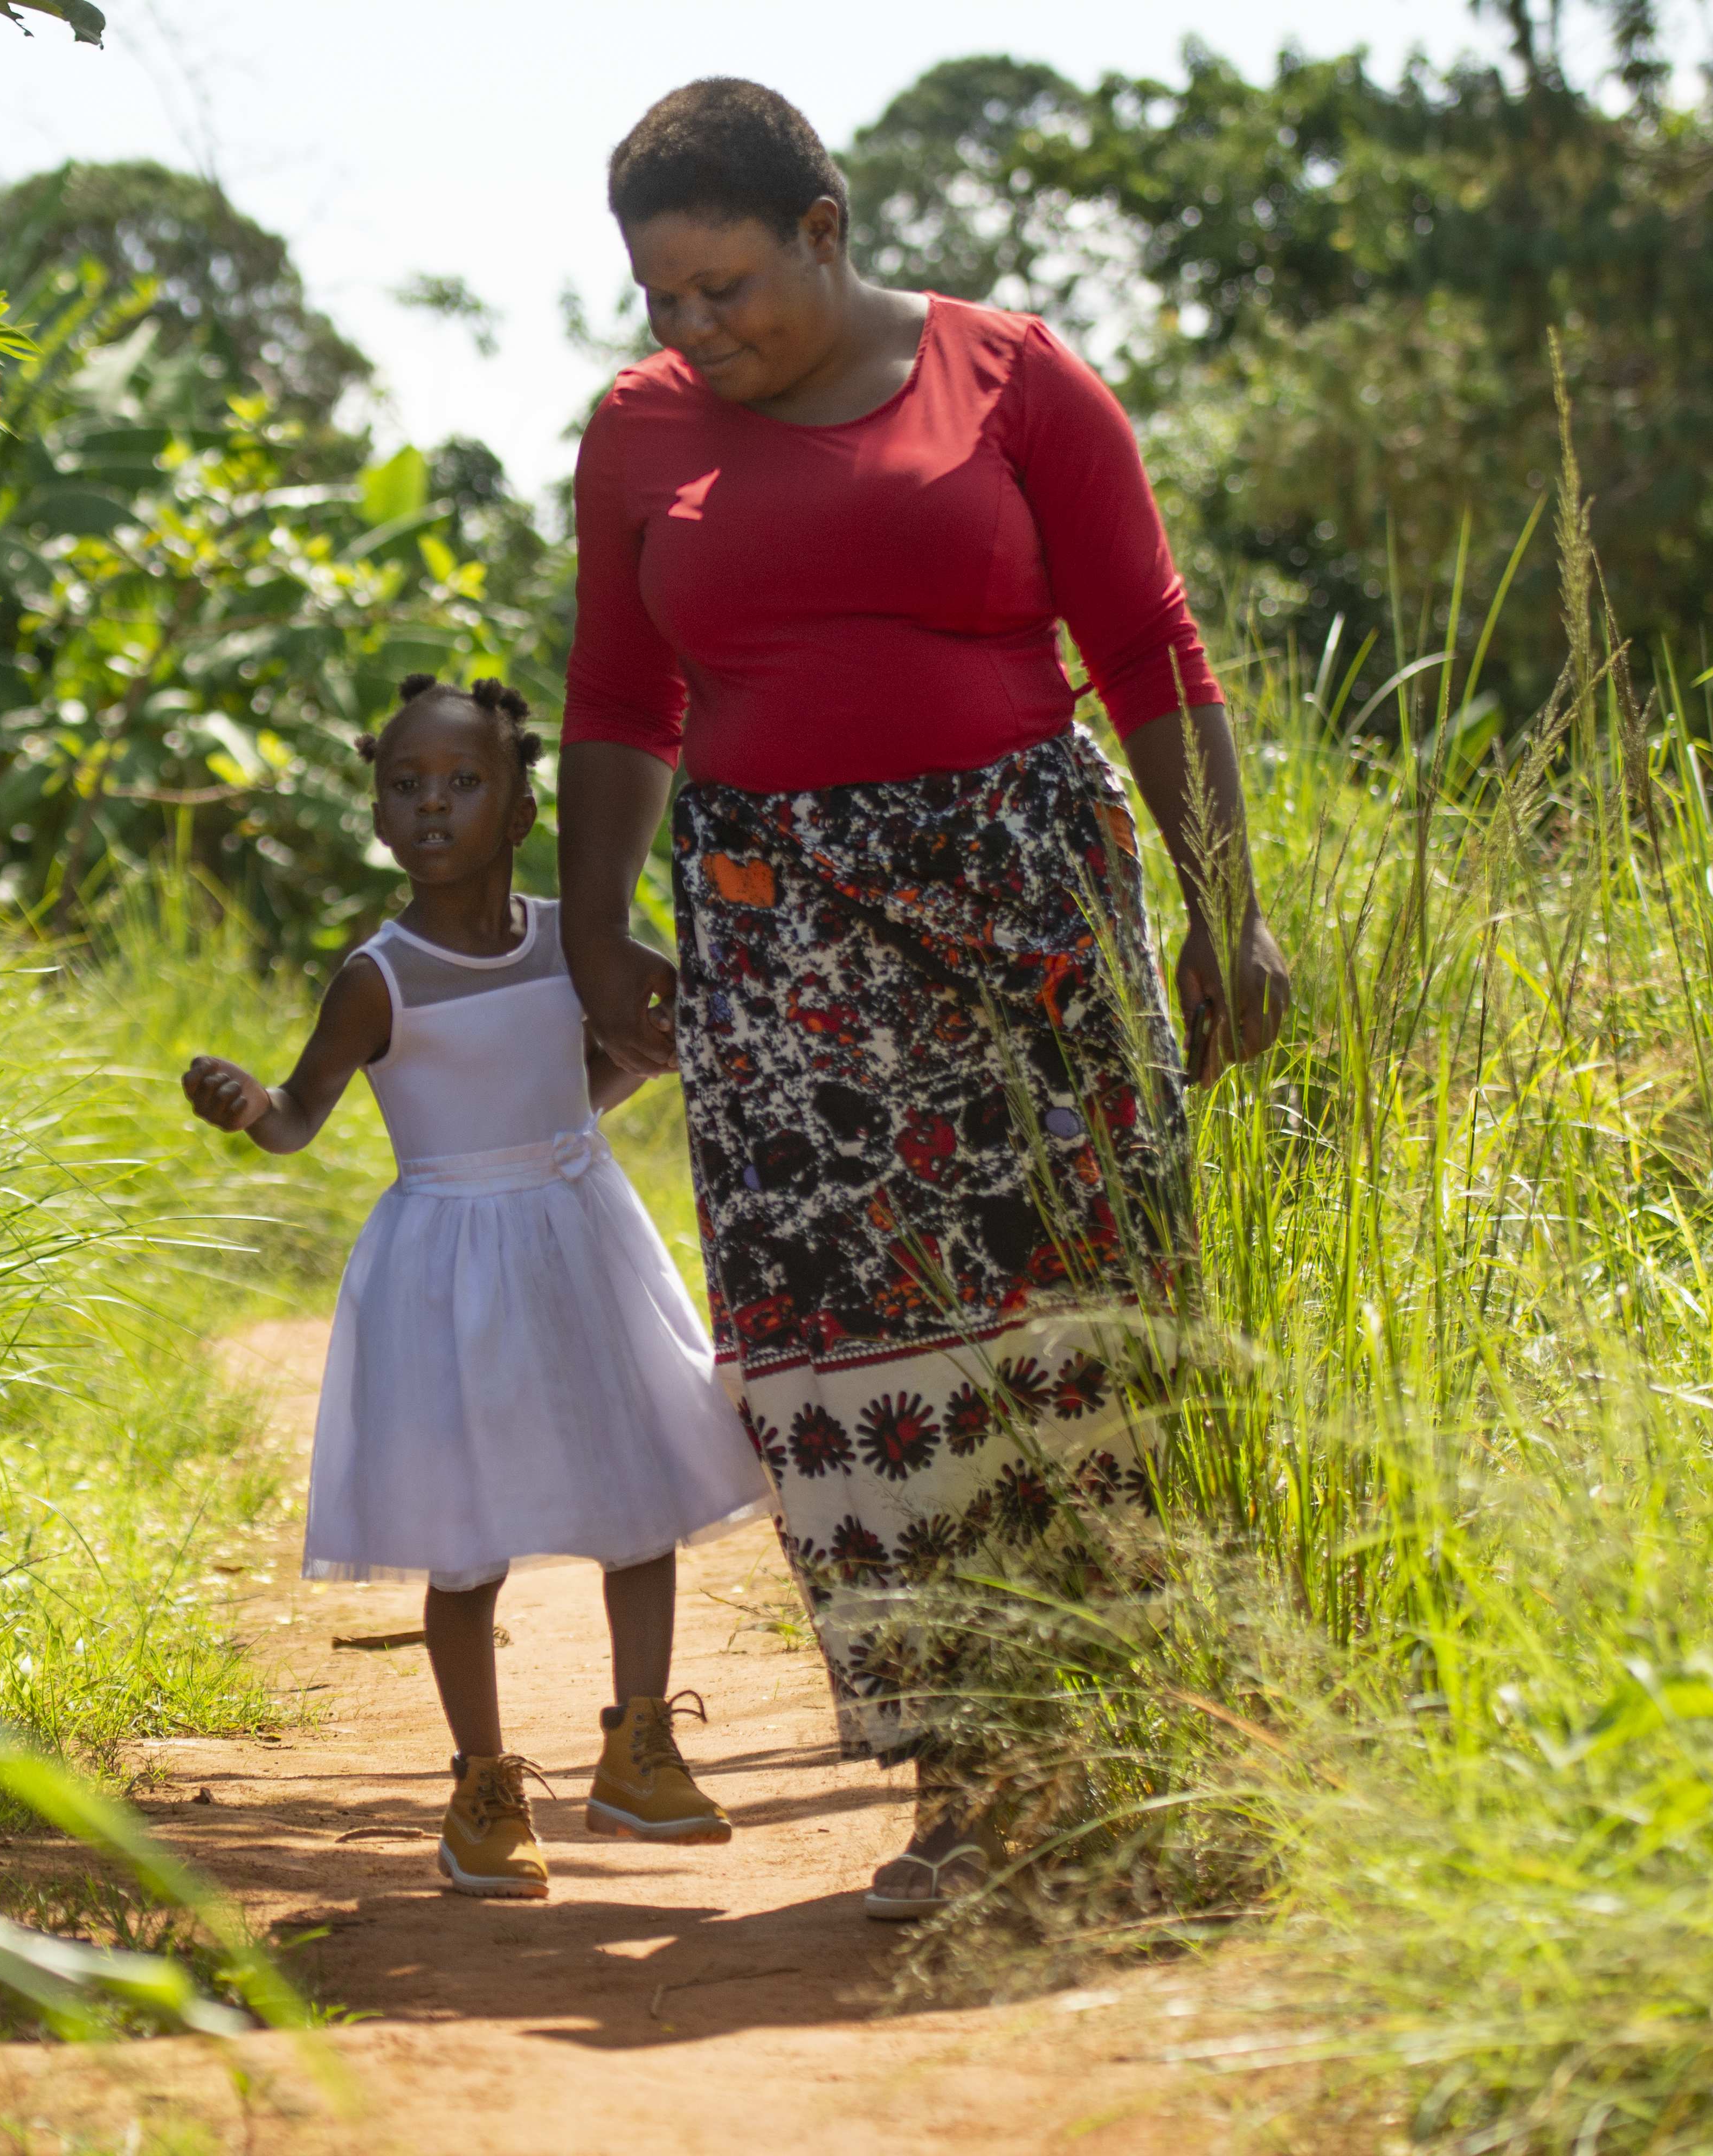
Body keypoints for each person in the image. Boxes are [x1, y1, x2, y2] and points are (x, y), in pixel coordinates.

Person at [556, 79, 1294, 1921]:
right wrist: (592, 935)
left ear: (828, 229)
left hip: (1029, 921)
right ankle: (969, 1783)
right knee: (857, 1353)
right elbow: (616, 697)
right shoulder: (642, 436)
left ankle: (1145, 1759)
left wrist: (1230, 910)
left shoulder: (1015, 379)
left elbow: (1148, 644)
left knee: (1081, 1313)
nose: (697, 329)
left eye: (728, 285)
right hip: (776, 942)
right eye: (664, 299)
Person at [183, 673, 772, 1901]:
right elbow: (300, 1117)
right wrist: (252, 1107)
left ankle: (640, 1744)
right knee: (466, 1542)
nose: (433, 804)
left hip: (580, 1227)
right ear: (381, 815)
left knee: (641, 1491)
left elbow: (634, 1052)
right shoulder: (376, 977)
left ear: (519, 811)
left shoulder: (578, 939)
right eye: (407, 785)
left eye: (464, 782)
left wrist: (590, 1104)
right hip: (449, 1263)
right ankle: (482, 1784)